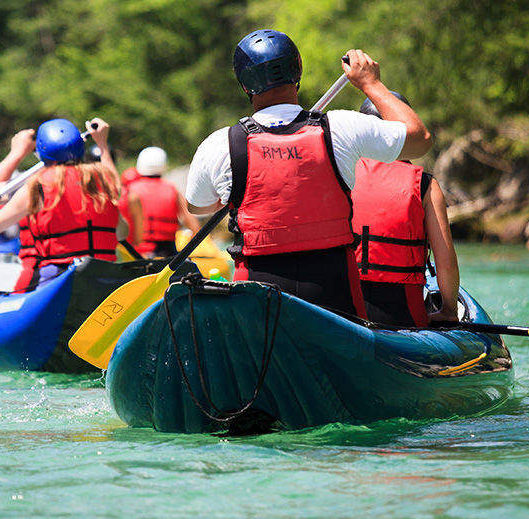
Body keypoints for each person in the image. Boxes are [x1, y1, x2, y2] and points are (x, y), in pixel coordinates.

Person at [185, 29, 432, 319]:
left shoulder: (219, 146)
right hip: (335, 299)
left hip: (257, 299)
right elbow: (421, 138)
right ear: (297, 71)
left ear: (244, 86)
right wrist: (371, 84)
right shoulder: (342, 128)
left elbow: (197, 207)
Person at [0, 117, 123, 292]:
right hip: (104, 275)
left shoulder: (37, 186)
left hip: (58, 278)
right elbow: (115, 184)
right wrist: (103, 145)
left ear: (42, 152)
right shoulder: (101, 179)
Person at [351, 96, 458, 327]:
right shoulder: (425, 185)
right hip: (403, 315)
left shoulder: (339, 173)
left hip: (343, 309)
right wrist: (449, 310)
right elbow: (445, 262)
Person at [0, 129, 42, 291]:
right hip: (91, 268)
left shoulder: (35, 187)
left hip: (43, 271)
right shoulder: (95, 180)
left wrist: (17, 152)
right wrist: (103, 147)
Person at [122, 147, 199, 258]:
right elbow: (194, 227)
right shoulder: (172, 190)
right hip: (168, 253)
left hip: (138, 253)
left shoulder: (131, 189)